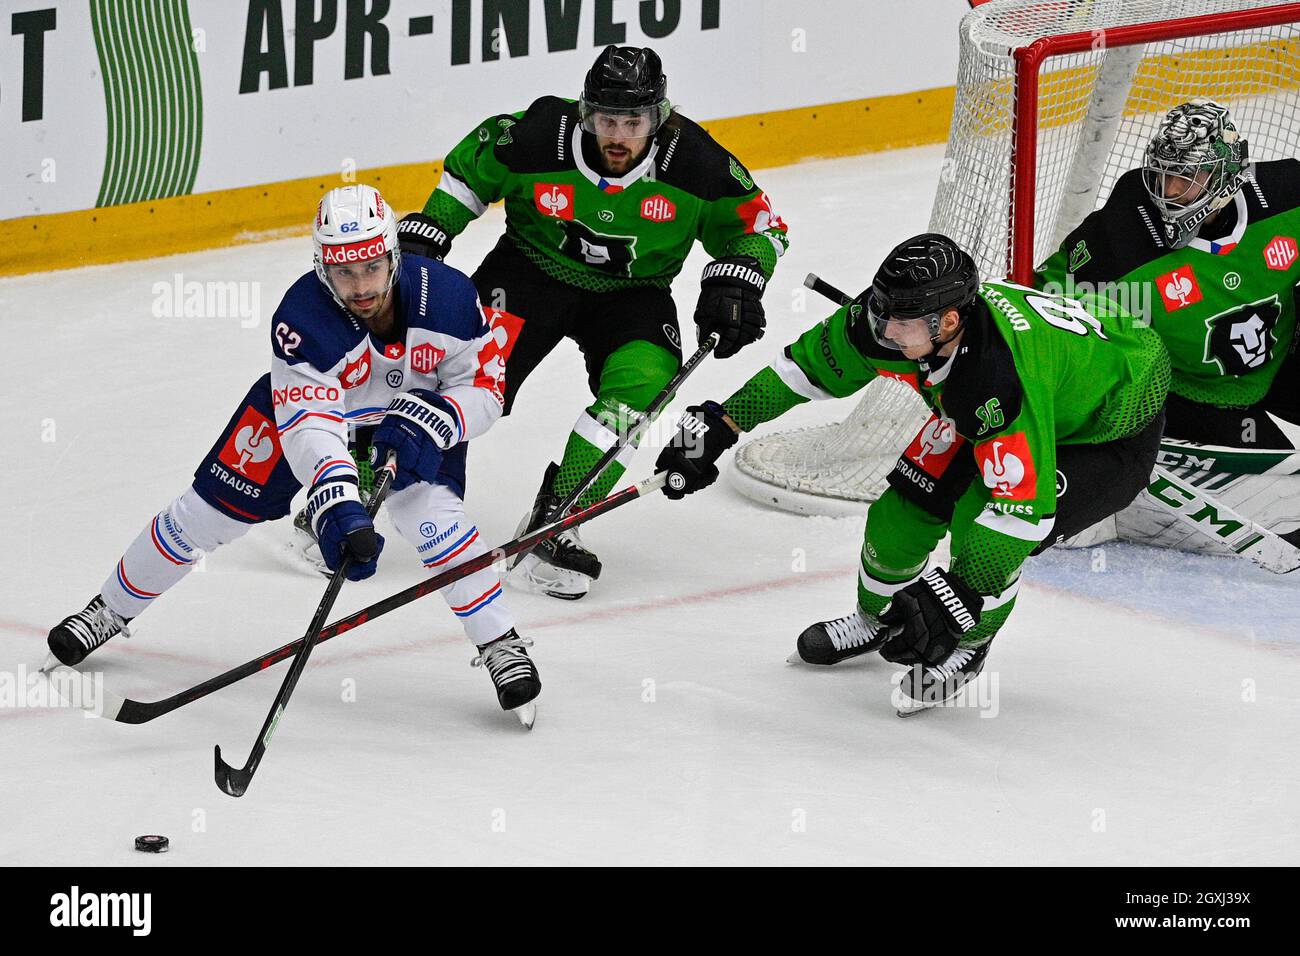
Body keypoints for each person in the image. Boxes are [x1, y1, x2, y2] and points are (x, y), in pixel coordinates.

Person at [45, 185, 541, 726]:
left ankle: (499, 642)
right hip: (302, 419)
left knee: (436, 524)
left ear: (393, 257)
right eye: (345, 271)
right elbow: (310, 426)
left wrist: (438, 419)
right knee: (204, 515)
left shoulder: (448, 297)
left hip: (409, 426)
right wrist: (337, 503)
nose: (361, 286)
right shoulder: (303, 315)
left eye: (372, 267)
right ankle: (110, 610)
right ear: (323, 266)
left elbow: (487, 389)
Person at [655, 234, 1170, 714]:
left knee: (979, 526)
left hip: (1108, 427)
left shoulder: (993, 377)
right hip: (1022, 397)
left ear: (947, 323)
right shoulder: (884, 318)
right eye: (881, 313)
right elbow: (801, 371)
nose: (884, 332)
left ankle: (970, 645)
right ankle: (873, 621)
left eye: (901, 324)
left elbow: (1019, 513)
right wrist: (720, 423)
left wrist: (959, 598)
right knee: (898, 517)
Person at [397, 44, 789, 600]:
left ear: (658, 118)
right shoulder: (538, 134)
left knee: (644, 383)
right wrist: (434, 226)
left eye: (634, 121)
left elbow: (764, 226)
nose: (619, 135)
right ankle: (364, 487)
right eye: (607, 118)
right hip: (528, 272)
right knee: (457, 372)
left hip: (633, 295)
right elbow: (470, 173)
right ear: (586, 113)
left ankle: (558, 518)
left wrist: (741, 274)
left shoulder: (697, 162)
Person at [1037, 99, 1300, 450]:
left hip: (1284, 362)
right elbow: (1046, 297)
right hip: (1184, 394)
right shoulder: (1122, 235)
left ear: (1224, 175)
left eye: (1186, 177)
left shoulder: (1287, 196)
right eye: (1163, 172)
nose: (1169, 190)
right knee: (1273, 465)